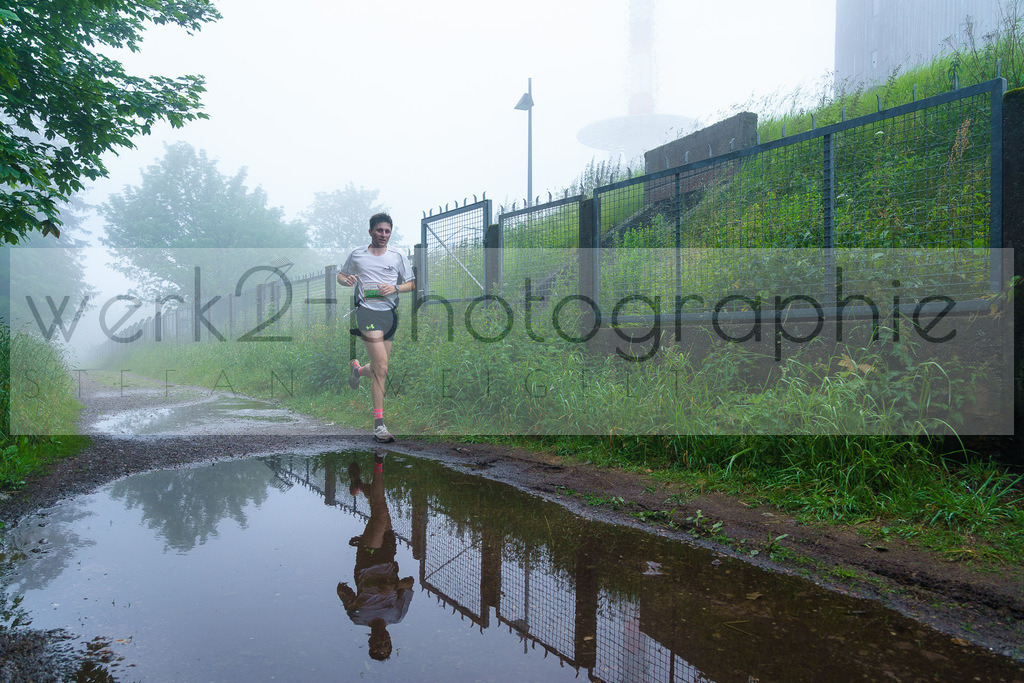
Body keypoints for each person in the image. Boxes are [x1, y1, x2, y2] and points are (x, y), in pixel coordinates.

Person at [337, 213, 414, 443]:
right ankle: (379, 425)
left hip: (389, 315)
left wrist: (395, 289)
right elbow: (341, 275)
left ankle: (358, 371)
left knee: (381, 368)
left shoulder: (398, 254)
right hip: (366, 312)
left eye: (387, 231)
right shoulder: (357, 254)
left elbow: (411, 283)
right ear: (370, 231)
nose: (383, 235)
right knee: (381, 367)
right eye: (379, 230)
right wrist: (346, 280)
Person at [337, 451, 414, 661]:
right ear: (390, 640)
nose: (382, 641)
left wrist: (347, 597)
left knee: (379, 514)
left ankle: (379, 458)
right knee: (380, 506)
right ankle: (358, 485)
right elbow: (409, 583)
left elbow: (341, 588)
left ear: (370, 642)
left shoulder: (357, 617)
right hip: (388, 556)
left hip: (367, 561)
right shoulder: (397, 615)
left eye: (378, 645)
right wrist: (393, 587)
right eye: (386, 644)